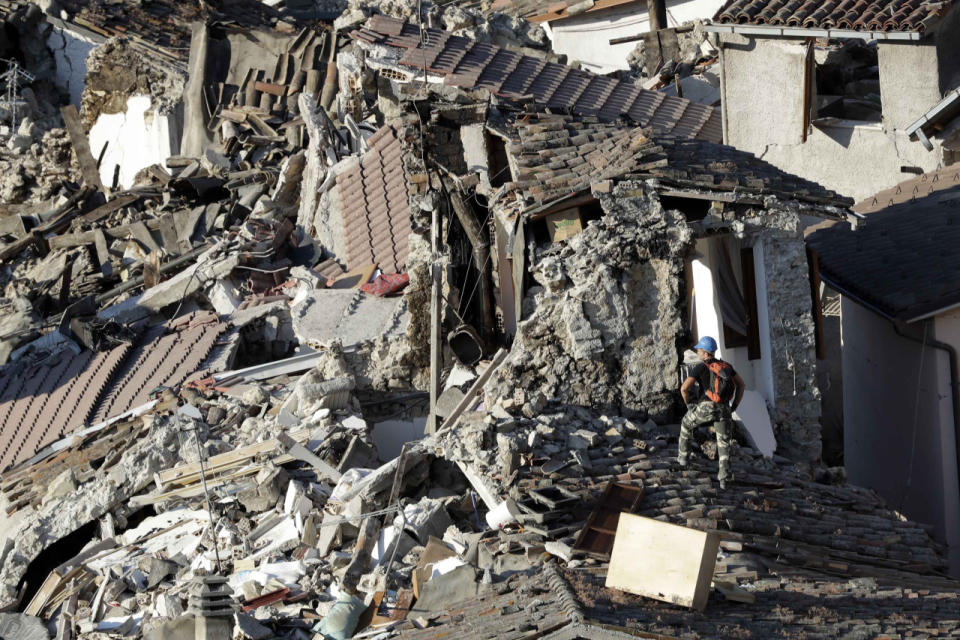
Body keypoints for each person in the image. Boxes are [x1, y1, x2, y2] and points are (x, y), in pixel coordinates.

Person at [677, 336, 746, 489]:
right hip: (724, 408)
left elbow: (684, 389)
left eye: (699, 350)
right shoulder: (727, 366)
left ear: (705, 353)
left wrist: (689, 404)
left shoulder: (701, 367)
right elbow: (742, 385)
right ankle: (724, 478)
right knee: (723, 443)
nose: (697, 352)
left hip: (706, 407)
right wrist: (733, 406)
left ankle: (683, 459)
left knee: (686, 424)